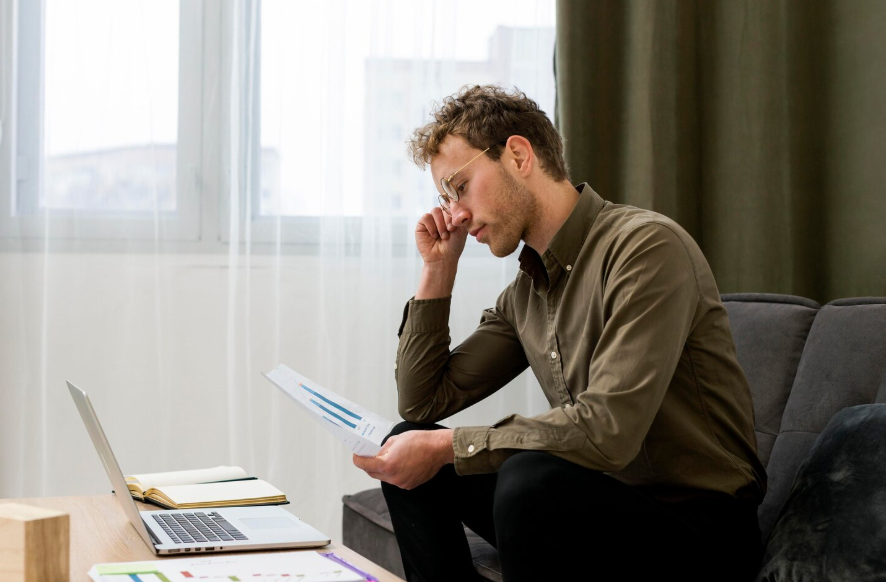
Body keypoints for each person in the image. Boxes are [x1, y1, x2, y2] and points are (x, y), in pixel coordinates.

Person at [352, 85, 766, 582]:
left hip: (700, 532)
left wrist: (448, 447)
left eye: (459, 186)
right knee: (405, 449)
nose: (455, 213)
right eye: (445, 198)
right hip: (593, 503)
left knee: (525, 479)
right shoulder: (525, 294)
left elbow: (605, 431)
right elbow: (422, 402)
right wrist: (438, 270)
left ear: (519, 155)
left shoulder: (646, 248)